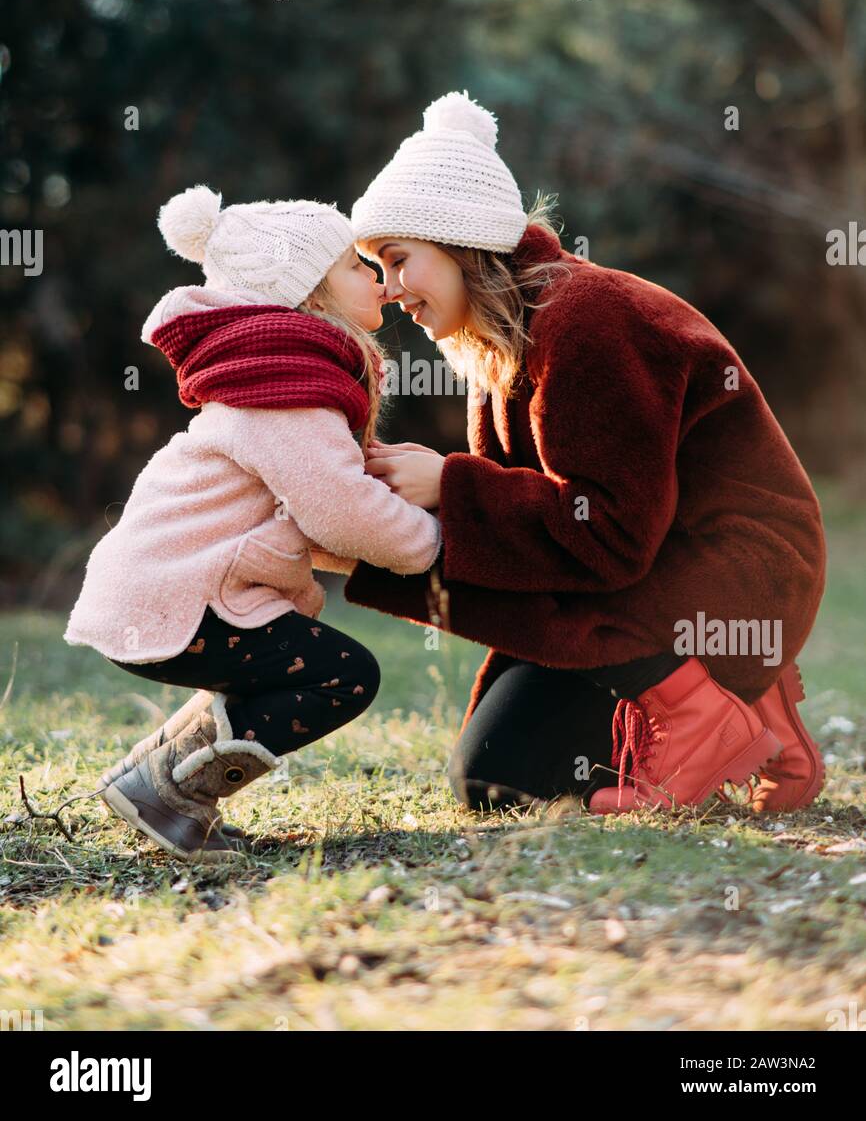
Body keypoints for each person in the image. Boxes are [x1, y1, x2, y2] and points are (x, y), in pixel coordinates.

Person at [334, 90, 827, 817]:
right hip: (647, 579)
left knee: (518, 773)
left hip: (740, 576)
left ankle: (716, 701)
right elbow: (531, 544)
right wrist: (371, 531)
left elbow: (609, 538)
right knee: (500, 781)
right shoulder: (498, 352)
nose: (391, 289)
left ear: (460, 240)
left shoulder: (587, 322)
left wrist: (450, 486)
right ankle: (752, 711)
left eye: (399, 259)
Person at [63, 186, 441, 860]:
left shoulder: (278, 381)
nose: (381, 282)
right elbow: (340, 508)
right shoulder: (284, 393)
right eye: (358, 265)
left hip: (164, 588)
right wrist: (427, 545)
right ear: (308, 294)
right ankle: (170, 790)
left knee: (284, 664)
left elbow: (316, 517)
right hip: (177, 593)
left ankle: (144, 776)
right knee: (340, 674)